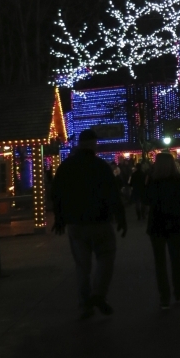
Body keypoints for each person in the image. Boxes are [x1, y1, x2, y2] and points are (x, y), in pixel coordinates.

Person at [51, 129, 127, 319]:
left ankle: (85, 304)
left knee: (82, 266)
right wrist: (120, 216)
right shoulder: (101, 167)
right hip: (100, 221)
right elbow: (113, 194)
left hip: (75, 223)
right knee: (106, 257)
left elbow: (57, 194)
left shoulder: (66, 167)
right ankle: (98, 294)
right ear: (94, 144)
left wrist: (60, 218)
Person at [145, 152, 180, 310]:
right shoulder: (178, 179)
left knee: (160, 262)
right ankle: (179, 291)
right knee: (175, 259)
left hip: (156, 223)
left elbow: (147, 200)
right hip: (173, 221)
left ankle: (164, 297)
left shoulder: (153, 180)